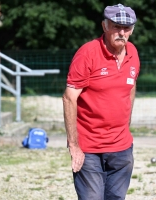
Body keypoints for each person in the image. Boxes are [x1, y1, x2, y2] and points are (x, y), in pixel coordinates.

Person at [62, 3, 140, 200]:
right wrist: (74, 145)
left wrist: (126, 126)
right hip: (89, 147)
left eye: (127, 28)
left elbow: (130, 88)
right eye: (116, 27)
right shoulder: (88, 53)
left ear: (132, 30)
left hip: (121, 147)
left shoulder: (133, 53)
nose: (121, 32)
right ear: (105, 26)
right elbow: (69, 97)